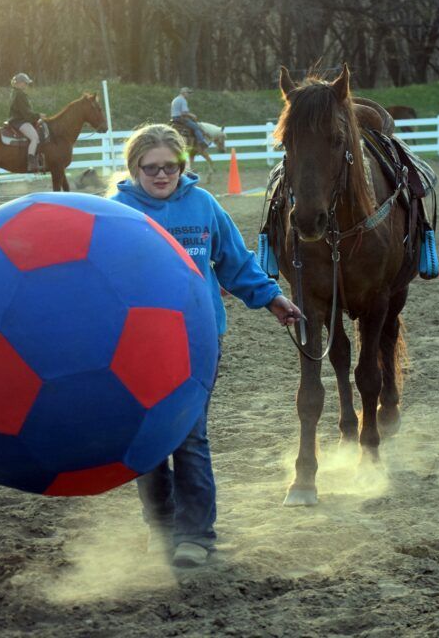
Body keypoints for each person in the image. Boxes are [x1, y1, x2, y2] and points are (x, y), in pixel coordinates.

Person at [110, 124, 301, 568]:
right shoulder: (116, 212)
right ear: (135, 168)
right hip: (135, 348)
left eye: (170, 167)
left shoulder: (203, 205)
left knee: (189, 436)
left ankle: (196, 536)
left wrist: (271, 298)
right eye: (151, 167)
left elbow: (235, 261)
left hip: (197, 341)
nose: (161, 175)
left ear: (183, 166)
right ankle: (161, 528)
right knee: (148, 440)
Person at [9, 73, 42, 172]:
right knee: (34, 137)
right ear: (20, 83)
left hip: (16, 119)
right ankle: (31, 163)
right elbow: (26, 113)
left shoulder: (15, 92)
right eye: (26, 83)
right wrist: (38, 116)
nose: (27, 85)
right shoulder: (20, 95)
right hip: (19, 121)